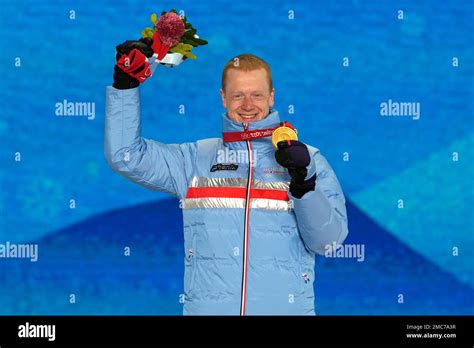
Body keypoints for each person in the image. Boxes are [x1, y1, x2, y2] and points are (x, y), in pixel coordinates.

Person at [104, 38, 349, 315]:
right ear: (223, 97)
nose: (247, 105)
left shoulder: (309, 160)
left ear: (272, 96)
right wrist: (125, 88)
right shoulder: (194, 159)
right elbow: (126, 156)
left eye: (257, 95)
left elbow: (328, 243)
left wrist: (305, 187)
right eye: (237, 95)